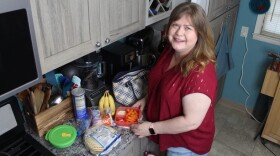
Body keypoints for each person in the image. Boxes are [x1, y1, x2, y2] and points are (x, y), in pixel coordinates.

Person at [130, 2, 217, 156]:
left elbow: (191, 121)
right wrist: (147, 99)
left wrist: (151, 128)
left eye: (188, 28)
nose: (179, 33)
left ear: (199, 34)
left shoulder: (200, 71)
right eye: (175, 25)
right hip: (167, 135)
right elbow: (163, 83)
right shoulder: (171, 51)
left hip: (186, 145)